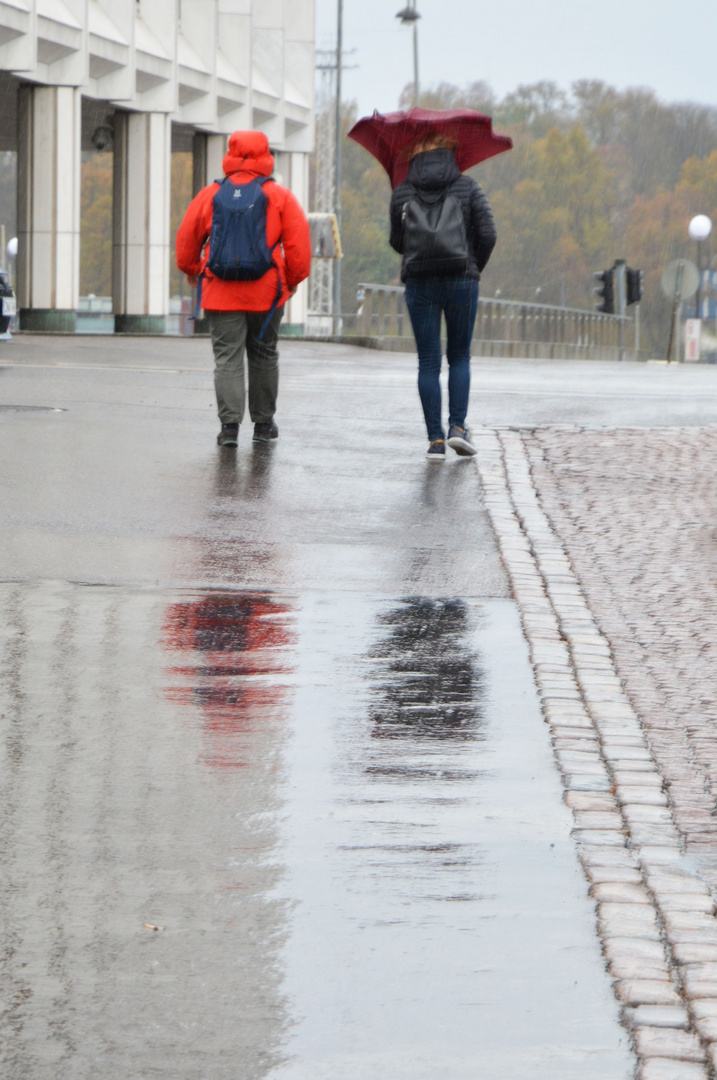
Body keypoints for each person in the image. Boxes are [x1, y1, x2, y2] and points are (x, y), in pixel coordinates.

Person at [176, 130, 311, 447]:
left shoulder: (211, 194)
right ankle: (263, 425)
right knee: (264, 355)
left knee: (227, 358)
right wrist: (288, 281)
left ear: (231, 154)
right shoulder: (279, 196)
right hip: (267, 293)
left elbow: (185, 242)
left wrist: (194, 269)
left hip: (220, 292)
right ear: (266, 156)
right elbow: (300, 253)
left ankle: (230, 429)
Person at [389, 135, 497, 460]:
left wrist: (421, 252)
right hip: (462, 280)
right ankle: (457, 428)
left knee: (428, 362)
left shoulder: (402, 193)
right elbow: (489, 233)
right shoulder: (468, 187)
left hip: (420, 283)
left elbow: (397, 241)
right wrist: (471, 263)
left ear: (413, 153)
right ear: (452, 151)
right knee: (460, 356)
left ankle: (435, 441)